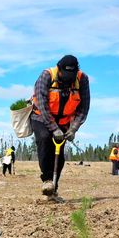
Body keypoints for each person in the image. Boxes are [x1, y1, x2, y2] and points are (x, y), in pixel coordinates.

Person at [30, 54, 90, 199]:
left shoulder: (82, 79)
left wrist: (73, 128)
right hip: (41, 117)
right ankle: (47, 180)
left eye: (72, 75)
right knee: (45, 139)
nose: (68, 78)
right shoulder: (46, 76)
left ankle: (52, 189)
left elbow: (84, 108)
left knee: (59, 153)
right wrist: (53, 128)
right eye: (65, 75)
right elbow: (42, 105)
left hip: (64, 121)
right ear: (59, 69)